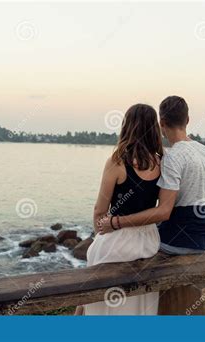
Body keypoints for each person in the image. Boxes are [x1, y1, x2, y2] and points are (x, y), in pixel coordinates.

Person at [98, 95, 205, 255]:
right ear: (187, 120)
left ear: (161, 123)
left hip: (177, 242)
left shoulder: (172, 157)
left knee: (135, 242)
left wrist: (116, 222)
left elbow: (163, 212)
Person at [75, 103, 163, 315]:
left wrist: (101, 235)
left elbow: (100, 210)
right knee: (139, 306)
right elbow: (160, 207)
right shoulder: (162, 162)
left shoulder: (117, 161)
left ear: (127, 126)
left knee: (102, 305)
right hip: (149, 241)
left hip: (118, 240)